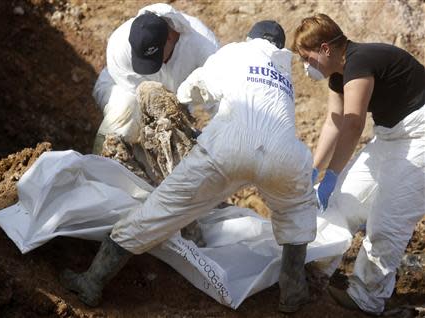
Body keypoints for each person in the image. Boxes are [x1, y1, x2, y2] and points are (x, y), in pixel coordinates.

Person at [60, 20, 318, 313]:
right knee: (297, 210)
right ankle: (293, 291)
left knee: (161, 209)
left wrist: (181, 103)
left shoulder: (235, 52)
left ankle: (92, 281)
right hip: (285, 156)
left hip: (228, 147)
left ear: (250, 38)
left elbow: (195, 87)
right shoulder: (285, 73)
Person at [292, 13, 425, 315]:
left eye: (308, 58)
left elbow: (353, 125)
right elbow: (334, 123)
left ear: (326, 48)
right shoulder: (339, 75)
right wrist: (315, 171)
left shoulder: (359, 62)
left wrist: (332, 173)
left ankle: (367, 298)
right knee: (342, 200)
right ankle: (319, 271)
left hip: (421, 135)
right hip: (392, 136)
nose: (306, 67)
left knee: (386, 219)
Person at [91, 3, 219, 154]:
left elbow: (219, 101)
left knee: (176, 150)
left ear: (170, 37)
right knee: (126, 110)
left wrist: (214, 141)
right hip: (121, 89)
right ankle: (103, 162)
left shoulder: (204, 46)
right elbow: (137, 96)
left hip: (177, 104)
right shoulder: (119, 46)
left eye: (155, 57)